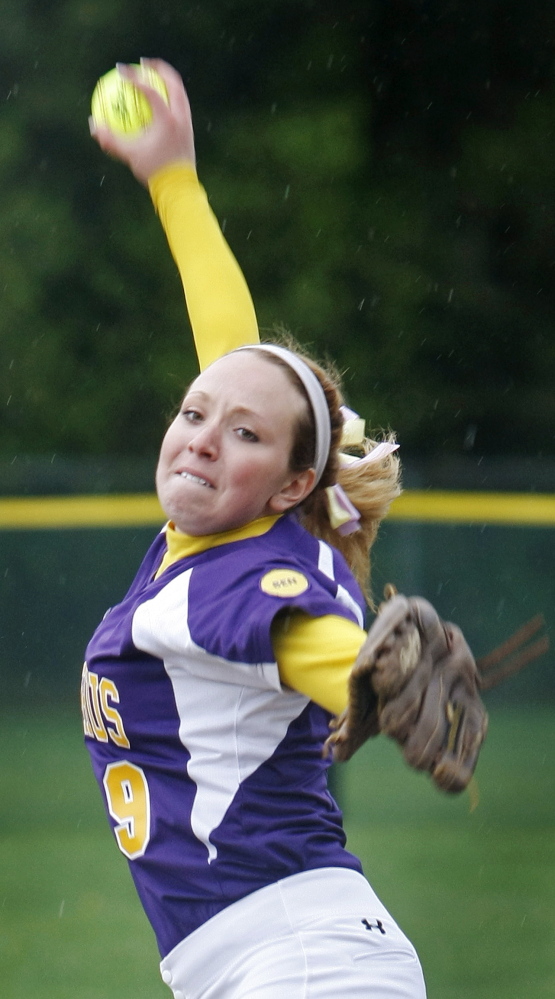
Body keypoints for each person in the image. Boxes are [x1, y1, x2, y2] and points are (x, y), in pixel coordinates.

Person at [85, 59, 426, 999]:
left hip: (307, 966)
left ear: (291, 483)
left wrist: (376, 676)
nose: (202, 437)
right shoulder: (209, 543)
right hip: (266, 958)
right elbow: (231, 352)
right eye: (194, 414)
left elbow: (321, 647)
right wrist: (173, 180)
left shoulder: (237, 578)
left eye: (243, 436)